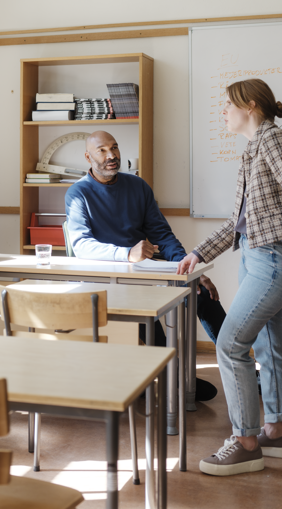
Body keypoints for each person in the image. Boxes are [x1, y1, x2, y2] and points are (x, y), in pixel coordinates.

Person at [177, 79, 282, 476]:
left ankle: (245, 441)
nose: (223, 111)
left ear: (251, 105)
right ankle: (274, 432)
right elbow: (237, 223)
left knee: (229, 344)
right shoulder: (254, 149)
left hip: (273, 260)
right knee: (268, 341)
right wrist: (198, 253)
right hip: (257, 255)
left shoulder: (273, 142)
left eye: (228, 104)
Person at [65, 130, 227, 400]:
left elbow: (162, 234)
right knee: (146, 316)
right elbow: (81, 245)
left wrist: (189, 268)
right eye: (102, 150)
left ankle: (242, 369)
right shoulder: (78, 193)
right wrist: (127, 253)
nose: (112, 155)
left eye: (114, 148)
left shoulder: (137, 186)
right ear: (88, 157)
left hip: (144, 270)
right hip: (107, 277)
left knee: (203, 295)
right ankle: (172, 376)